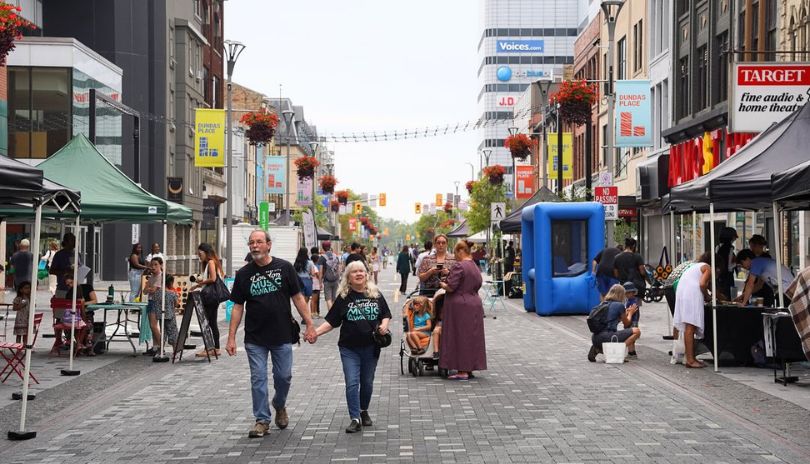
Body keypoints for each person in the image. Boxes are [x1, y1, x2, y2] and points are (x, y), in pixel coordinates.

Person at [225, 230, 317, 438]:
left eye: (259, 242)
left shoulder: (284, 267)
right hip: (255, 336)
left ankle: (279, 404)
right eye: (251, 243)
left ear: (268, 245)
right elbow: (238, 306)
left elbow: (298, 297)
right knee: (258, 378)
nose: (255, 246)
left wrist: (310, 324)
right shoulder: (244, 274)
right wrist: (231, 337)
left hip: (282, 333)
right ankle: (262, 420)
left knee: (283, 376)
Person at [314, 260, 391, 433]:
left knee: (367, 382)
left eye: (361, 271)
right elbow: (331, 322)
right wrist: (315, 333)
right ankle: (355, 418)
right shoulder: (343, 297)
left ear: (366, 274)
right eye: (354, 271)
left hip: (371, 347)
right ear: (348, 277)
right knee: (352, 382)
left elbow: (386, 314)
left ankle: (363, 410)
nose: (358, 274)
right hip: (349, 348)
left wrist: (384, 325)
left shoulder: (375, 294)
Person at [438, 240, 486, 380]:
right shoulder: (474, 265)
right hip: (474, 303)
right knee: (471, 337)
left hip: (460, 306)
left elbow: (451, 286)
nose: (455, 256)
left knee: (460, 337)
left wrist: (443, 284)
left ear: (460, 251)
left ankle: (462, 371)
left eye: (455, 253)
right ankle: (469, 368)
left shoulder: (459, 265)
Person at [672, 253, 712, 368]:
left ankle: (690, 357)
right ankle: (690, 359)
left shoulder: (694, 266)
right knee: (690, 325)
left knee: (689, 325)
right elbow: (702, 283)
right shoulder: (707, 267)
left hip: (683, 291)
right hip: (691, 293)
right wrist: (707, 296)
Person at [587, 284, 641, 363]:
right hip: (609, 337)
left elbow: (611, 320)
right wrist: (630, 313)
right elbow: (626, 324)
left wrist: (625, 313)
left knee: (613, 334)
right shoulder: (619, 305)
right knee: (636, 331)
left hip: (595, 338)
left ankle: (597, 348)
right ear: (621, 294)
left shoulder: (602, 304)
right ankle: (617, 352)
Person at [191, 243, 224, 357]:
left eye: (200, 254)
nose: (199, 256)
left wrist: (200, 283)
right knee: (213, 323)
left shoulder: (210, 262)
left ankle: (208, 349)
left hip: (210, 298)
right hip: (213, 298)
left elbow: (213, 279)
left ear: (206, 252)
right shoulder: (212, 262)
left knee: (207, 323)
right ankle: (216, 348)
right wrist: (199, 285)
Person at [613, 238, 647, 304]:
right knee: (635, 306)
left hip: (624, 286)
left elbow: (616, 274)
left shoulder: (617, 257)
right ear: (634, 246)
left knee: (625, 305)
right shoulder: (637, 256)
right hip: (637, 286)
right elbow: (642, 271)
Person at [143, 257, 165, 357]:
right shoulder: (152, 276)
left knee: (153, 325)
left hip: (156, 301)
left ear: (161, 265)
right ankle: (155, 346)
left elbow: (153, 290)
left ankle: (161, 347)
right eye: (152, 265)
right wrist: (149, 288)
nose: (153, 267)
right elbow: (145, 290)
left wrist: (150, 288)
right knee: (152, 326)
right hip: (150, 301)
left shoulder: (161, 276)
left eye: (156, 264)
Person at [715, 227, 738, 300]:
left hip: (719, 278)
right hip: (728, 279)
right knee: (728, 298)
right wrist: (737, 263)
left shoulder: (717, 247)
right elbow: (729, 267)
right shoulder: (730, 249)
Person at [318, 241, 341, 310]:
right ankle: (334, 315)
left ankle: (331, 316)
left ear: (323, 247)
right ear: (330, 246)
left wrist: (320, 283)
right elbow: (339, 268)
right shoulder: (335, 256)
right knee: (334, 298)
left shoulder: (322, 257)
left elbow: (321, 271)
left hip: (327, 280)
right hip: (335, 279)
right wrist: (338, 278)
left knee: (328, 299)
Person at [622, 281, 641, 357]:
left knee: (630, 336)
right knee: (631, 337)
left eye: (628, 293)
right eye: (626, 293)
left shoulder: (632, 302)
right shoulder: (631, 301)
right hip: (632, 320)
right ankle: (631, 351)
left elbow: (629, 311)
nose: (627, 295)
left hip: (632, 321)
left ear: (633, 292)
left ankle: (631, 352)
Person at [310, 246, 322, 318]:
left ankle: (314, 312)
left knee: (314, 300)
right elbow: (317, 275)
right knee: (314, 300)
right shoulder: (315, 267)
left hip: (313, 284)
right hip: (316, 285)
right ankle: (313, 313)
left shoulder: (311, 265)